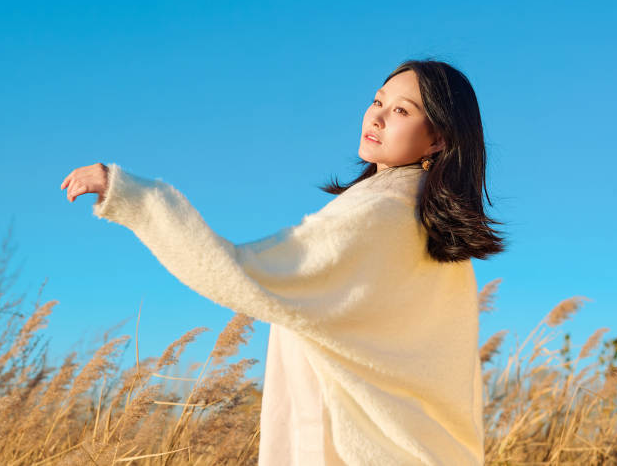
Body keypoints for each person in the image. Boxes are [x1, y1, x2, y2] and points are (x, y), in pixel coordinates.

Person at [60, 59, 506, 465]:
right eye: (377, 100)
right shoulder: (439, 237)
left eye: (402, 111)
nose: (376, 116)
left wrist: (132, 195)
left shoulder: (380, 215)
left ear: (441, 136)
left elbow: (242, 273)